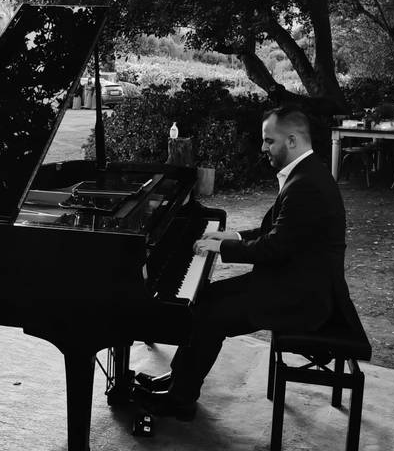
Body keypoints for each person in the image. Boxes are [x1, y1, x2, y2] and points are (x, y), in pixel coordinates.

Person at [136, 105, 347, 420]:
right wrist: (228, 235)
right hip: (294, 279)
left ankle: (180, 400)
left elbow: (275, 247)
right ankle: (179, 380)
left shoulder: (306, 185)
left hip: (301, 296)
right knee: (202, 301)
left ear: (292, 140)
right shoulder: (308, 172)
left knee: (209, 314)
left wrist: (225, 249)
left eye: (268, 141)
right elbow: (277, 232)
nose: (263, 148)